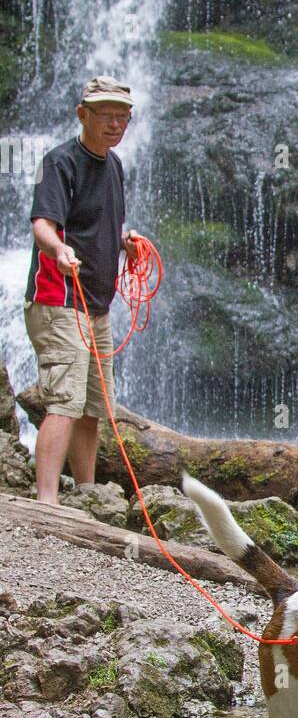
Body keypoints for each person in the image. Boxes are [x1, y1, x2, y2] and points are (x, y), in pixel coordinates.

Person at [24, 76, 141, 504]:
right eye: (106, 114)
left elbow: (104, 223)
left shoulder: (114, 165)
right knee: (65, 400)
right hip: (58, 301)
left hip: (97, 306)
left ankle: (87, 492)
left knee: (93, 406)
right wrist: (58, 249)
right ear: (82, 115)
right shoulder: (60, 162)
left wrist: (126, 242)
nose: (115, 123)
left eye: (122, 116)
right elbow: (43, 222)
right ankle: (47, 501)